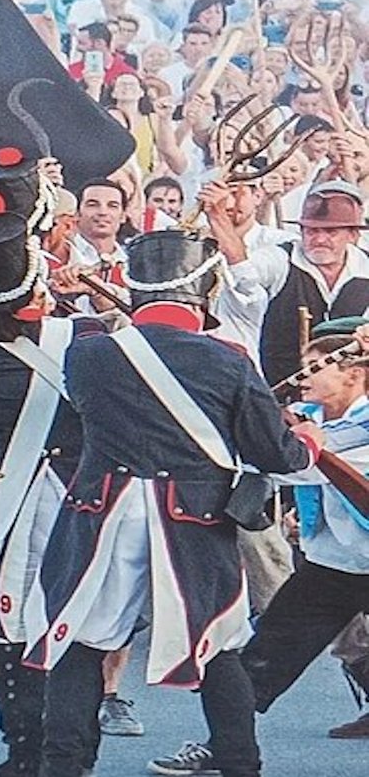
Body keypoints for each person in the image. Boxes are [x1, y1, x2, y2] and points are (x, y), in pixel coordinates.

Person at [25, 229, 320, 777]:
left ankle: (62, 766)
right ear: (204, 291)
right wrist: (308, 440)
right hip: (192, 516)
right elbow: (276, 454)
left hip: (104, 510)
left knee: (82, 643)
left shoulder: (88, 354)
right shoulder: (228, 359)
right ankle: (240, 764)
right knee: (219, 646)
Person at [150, 323, 369, 774]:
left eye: (316, 367)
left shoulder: (357, 425)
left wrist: (260, 432)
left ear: (354, 374)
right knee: (264, 656)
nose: (304, 377)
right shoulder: (305, 416)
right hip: (332, 562)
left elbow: (298, 464)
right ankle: (226, 747)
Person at [0, 211, 104, 777]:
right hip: (74, 500)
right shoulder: (86, 338)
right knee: (71, 628)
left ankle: (25, 753)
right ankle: (71, 753)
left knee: (4, 632)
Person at [210, 180, 369, 390]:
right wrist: (217, 217)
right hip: (279, 389)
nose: (320, 239)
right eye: (312, 231)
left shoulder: (365, 266)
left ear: (352, 235)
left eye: (331, 232)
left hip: (348, 391)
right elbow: (243, 270)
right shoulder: (280, 258)